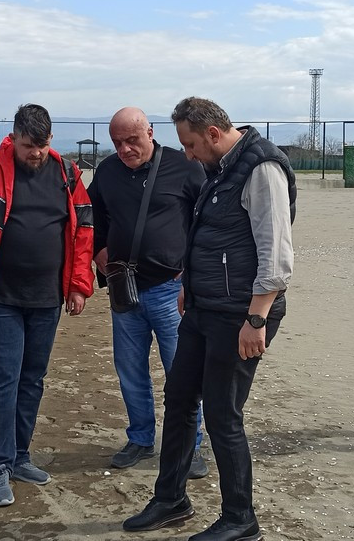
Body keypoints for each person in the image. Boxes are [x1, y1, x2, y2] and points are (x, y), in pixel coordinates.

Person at [124, 97, 295, 541]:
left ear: (213, 134)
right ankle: (171, 499)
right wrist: (191, 284)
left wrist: (256, 319)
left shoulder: (262, 168)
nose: (188, 154)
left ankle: (240, 518)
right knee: (180, 398)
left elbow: (276, 254)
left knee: (222, 414)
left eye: (191, 144)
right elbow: (213, 238)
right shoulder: (221, 168)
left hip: (240, 314)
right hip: (205, 307)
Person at [0, 103, 95, 507]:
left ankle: (20, 455)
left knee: (32, 378)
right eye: (29, 146)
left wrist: (79, 286)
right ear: (14, 138)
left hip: (47, 298)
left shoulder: (67, 173)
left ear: (51, 139)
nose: (36, 153)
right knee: (1, 378)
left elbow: (84, 230)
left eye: (42, 145)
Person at [88, 107, 209, 477]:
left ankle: (190, 446)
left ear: (151, 133)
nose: (125, 149)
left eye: (132, 140)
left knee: (182, 373)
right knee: (130, 370)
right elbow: (92, 216)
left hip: (172, 290)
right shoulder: (107, 171)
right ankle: (140, 438)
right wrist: (98, 251)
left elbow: (208, 219)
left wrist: (193, 271)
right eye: (117, 143)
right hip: (124, 290)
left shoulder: (184, 166)